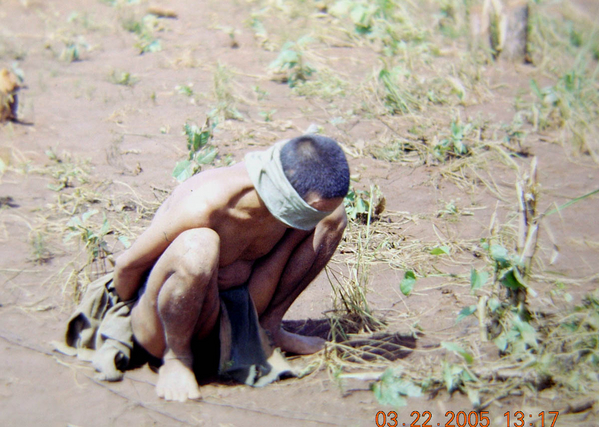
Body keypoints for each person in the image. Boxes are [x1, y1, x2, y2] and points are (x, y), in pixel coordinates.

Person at [113, 134, 350, 402]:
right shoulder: (205, 204)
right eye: (311, 208)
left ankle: (269, 329)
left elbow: (320, 212)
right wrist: (119, 324)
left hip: (236, 314)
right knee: (199, 246)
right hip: (167, 324)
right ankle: (177, 359)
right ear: (288, 192)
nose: (313, 215)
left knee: (332, 216)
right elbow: (127, 266)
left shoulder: (284, 192)